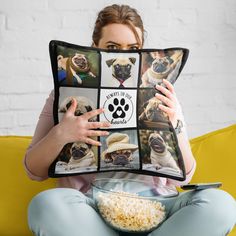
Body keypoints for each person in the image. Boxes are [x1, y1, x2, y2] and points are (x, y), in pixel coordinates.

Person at [24, 4, 236, 236]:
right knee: (45, 205)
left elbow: (185, 175)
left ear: (142, 50)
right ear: (95, 48)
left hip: (157, 209)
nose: (123, 55)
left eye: (133, 48)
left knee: (221, 204)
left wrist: (175, 122)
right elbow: (34, 170)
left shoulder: (161, 94)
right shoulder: (65, 95)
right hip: (92, 212)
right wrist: (62, 134)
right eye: (112, 47)